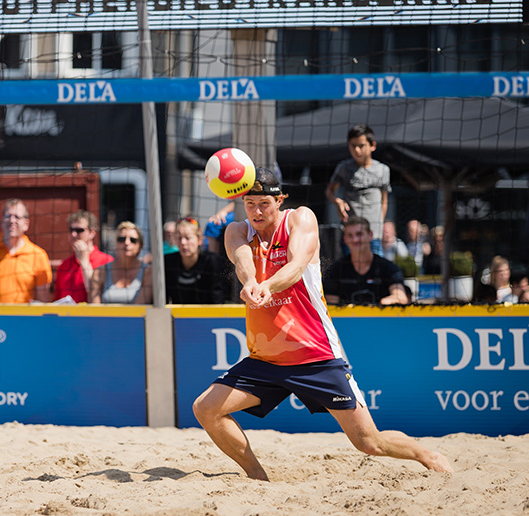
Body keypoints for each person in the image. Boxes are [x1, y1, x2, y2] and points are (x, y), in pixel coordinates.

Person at [191, 168, 452, 481]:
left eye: (264, 203)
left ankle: (425, 453)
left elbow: (296, 265)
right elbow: (243, 260)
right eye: (250, 203)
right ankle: (257, 477)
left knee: (368, 442)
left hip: (315, 355)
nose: (257, 211)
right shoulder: (237, 230)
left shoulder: (300, 219)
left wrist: (266, 286)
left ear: (280, 200)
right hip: (266, 359)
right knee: (206, 409)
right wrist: (249, 281)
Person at [325, 124, 391, 256]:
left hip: (373, 235)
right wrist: (337, 201)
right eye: (352, 146)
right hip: (351, 234)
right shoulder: (344, 168)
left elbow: (384, 200)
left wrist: (379, 223)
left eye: (361, 146)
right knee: (350, 272)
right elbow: (329, 191)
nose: (357, 150)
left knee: (376, 272)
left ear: (372, 146)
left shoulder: (383, 170)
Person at [324, 217, 409, 306]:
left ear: (370, 235)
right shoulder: (335, 270)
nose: (355, 239)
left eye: (359, 234)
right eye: (350, 235)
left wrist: (378, 306)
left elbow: (401, 298)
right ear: (345, 239)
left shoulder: (389, 268)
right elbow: (330, 305)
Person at [164, 217, 228, 304]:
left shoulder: (213, 261)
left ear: (199, 240)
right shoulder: (167, 262)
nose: (183, 242)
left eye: (187, 238)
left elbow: (218, 300)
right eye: (179, 238)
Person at [53, 210, 113, 303]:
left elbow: (97, 295)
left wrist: (84, 261)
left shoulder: (106, 261)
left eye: (79, 230)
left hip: (91, 316)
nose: (73, 234)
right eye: (71, 230)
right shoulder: (64, 265)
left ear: (92, 233)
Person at [90, 221, 153, 304]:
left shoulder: (148, 272)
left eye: (133, 240)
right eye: (121, 239)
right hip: (105, 317)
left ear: (140, 246)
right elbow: (94, 311)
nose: (126, 243)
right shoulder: (100, 272)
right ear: (116, 244)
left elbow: (138, 310)